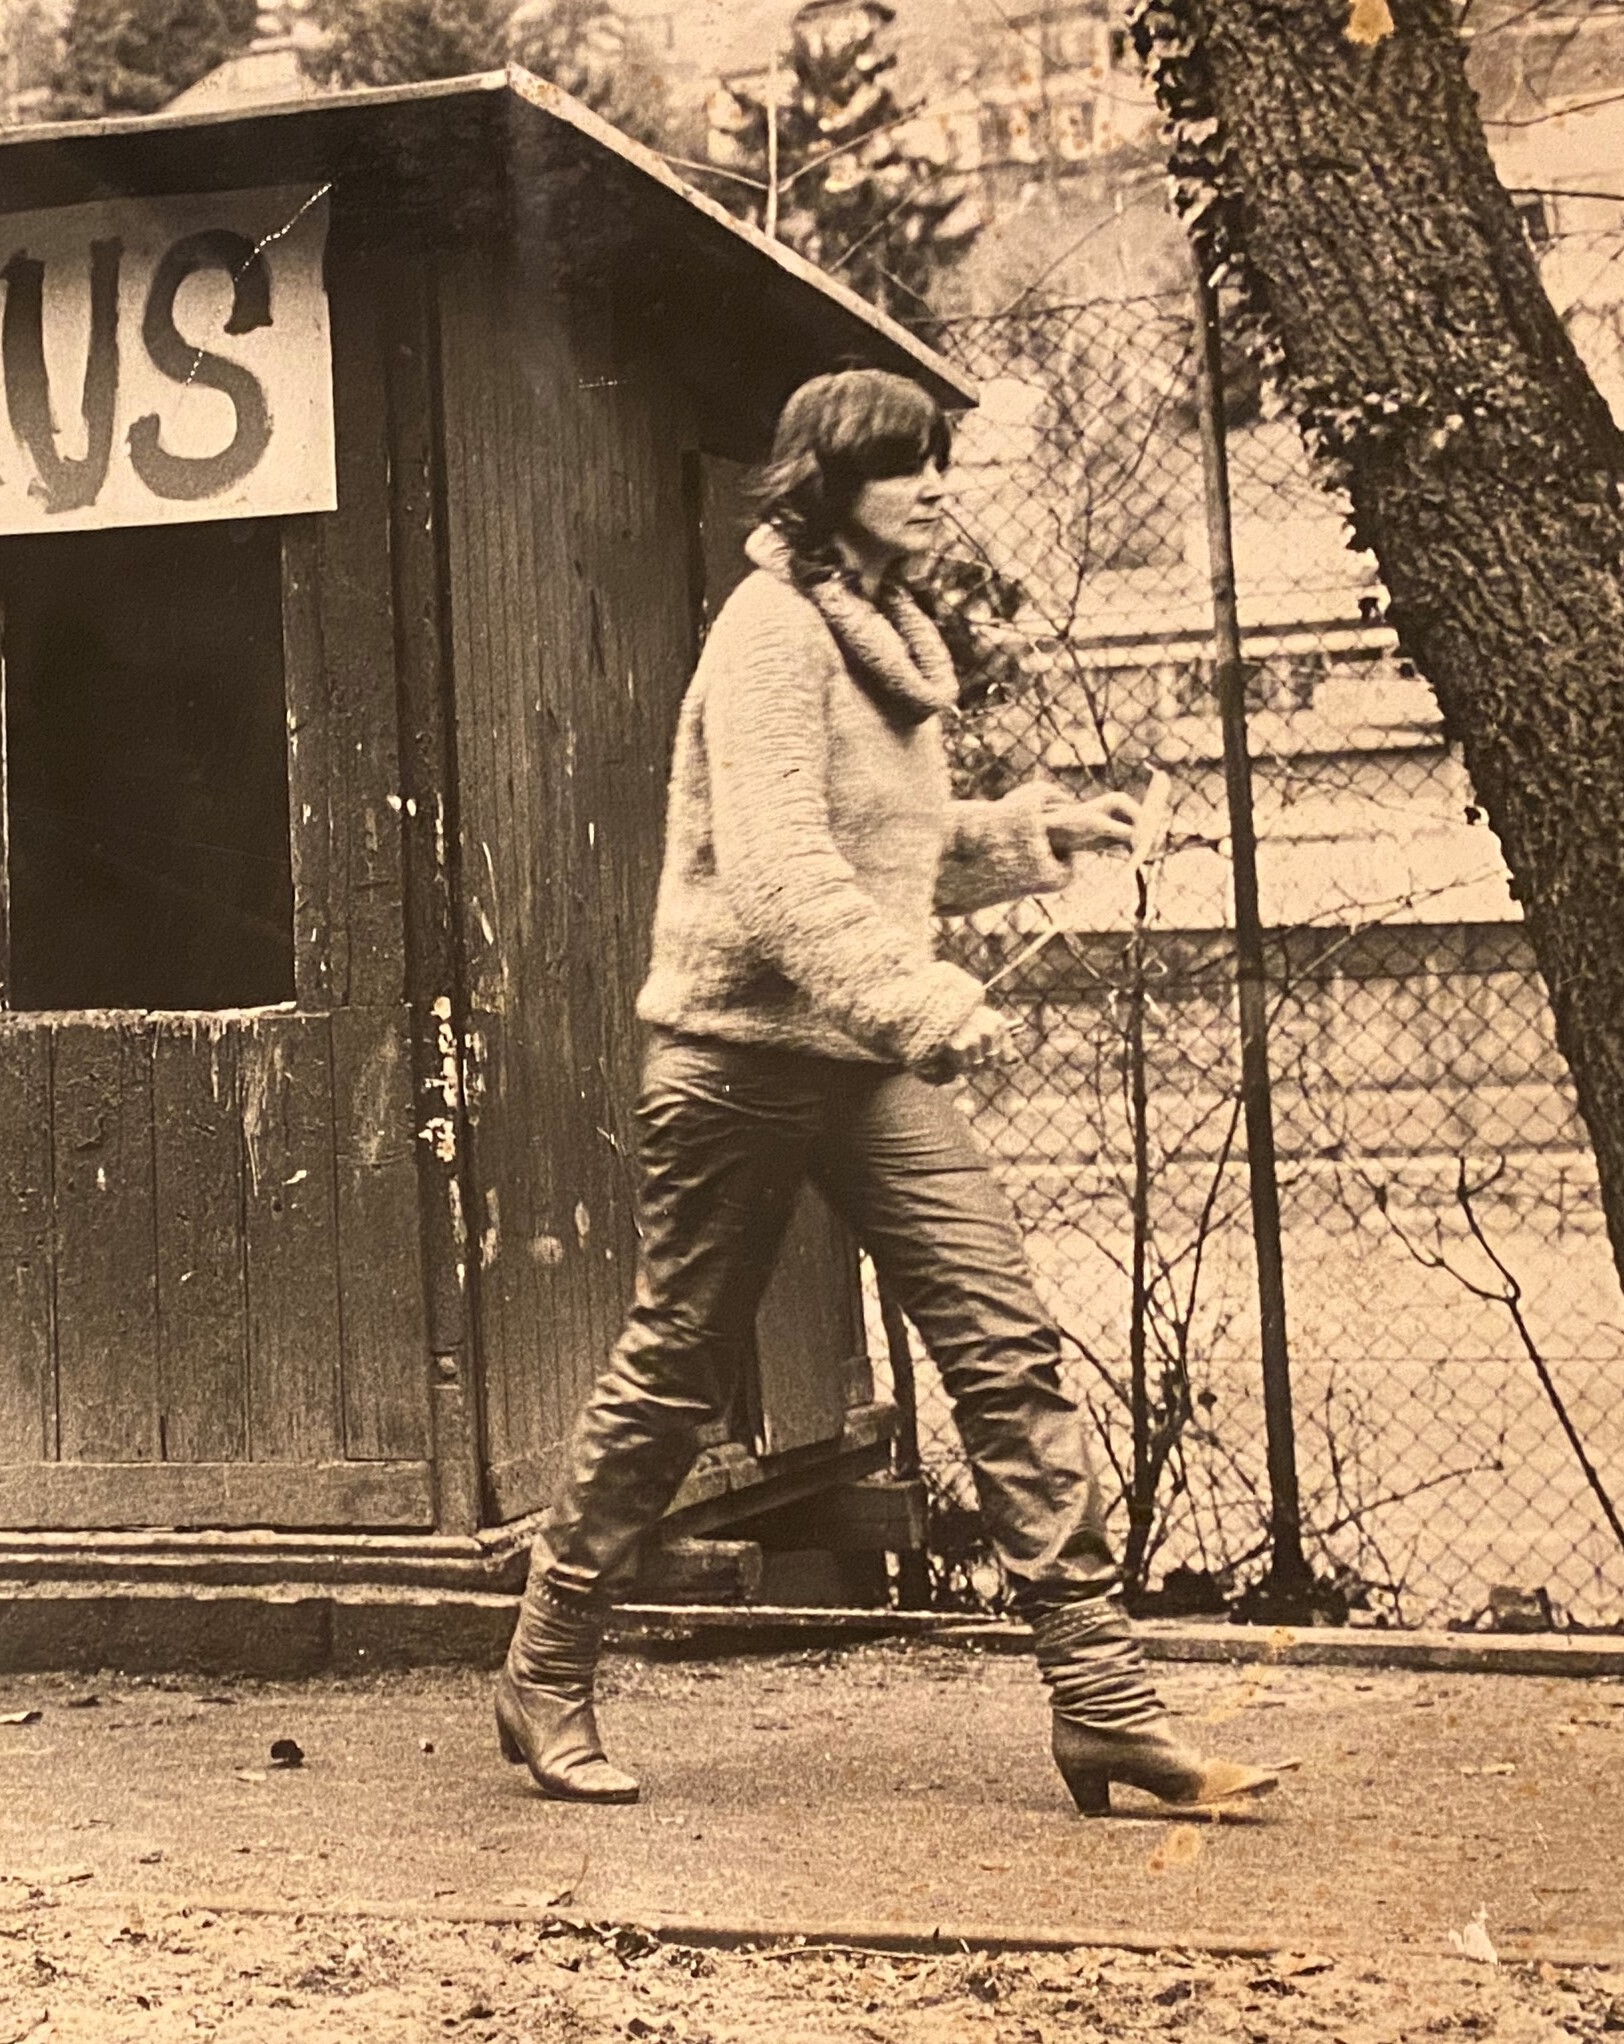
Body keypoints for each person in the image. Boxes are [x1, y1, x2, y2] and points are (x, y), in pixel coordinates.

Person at [494, 368, 1290, 1818]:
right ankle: (546, 1671)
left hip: (859, 1063)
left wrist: (1037, 830)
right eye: (902, 467)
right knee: (677, 1369)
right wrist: (930, 1001)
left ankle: (1103, 1704)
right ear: (822, 485)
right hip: (736, 1060)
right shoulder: (769, 632)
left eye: (938, 464)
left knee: (1005, 1343)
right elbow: (786, 874)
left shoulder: (888, 636)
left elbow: (889, 855)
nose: (935, 489)